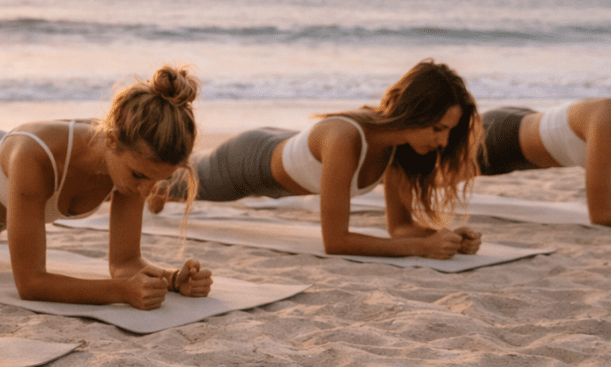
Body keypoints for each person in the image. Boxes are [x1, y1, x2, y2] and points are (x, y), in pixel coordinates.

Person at [151, 60, 483, 259]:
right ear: (415, 113)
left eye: (448, 133)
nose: (442, 142)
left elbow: (399, 228)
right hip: (247, 164)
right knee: (168, 179)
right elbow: (336, 242)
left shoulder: (400, 148)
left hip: (281, 149)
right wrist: (422, 249)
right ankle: (160, 186)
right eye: (439, 128)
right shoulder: (344, 138)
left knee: (175, 179)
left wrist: (442, 237)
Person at [0, 65, 213, 309]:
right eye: (140, 176)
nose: (146, 191)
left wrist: (174, 280)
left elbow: (125, 263)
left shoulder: (132, 154)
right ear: (111, 140)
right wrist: (121, 292)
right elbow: (30, 283)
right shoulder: (35, 159)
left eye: (158, 180)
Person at [478, 63, 611, 227]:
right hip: (498, 137)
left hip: (524, 125)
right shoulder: (609, 117)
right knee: (444, 182)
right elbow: (601, 214)